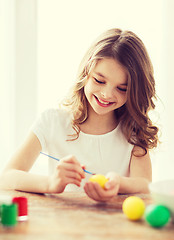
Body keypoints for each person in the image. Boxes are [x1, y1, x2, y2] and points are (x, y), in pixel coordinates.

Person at [0, 28, 159, 202]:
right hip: (62, 226)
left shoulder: (133, 131)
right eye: (99, 80)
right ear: (86, 72)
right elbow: (7, 177)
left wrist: (118, 184)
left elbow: (146, 186)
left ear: (134, 92)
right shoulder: (52, 122)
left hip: (115, 227)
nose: (106, 94)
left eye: (121, 88)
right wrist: (51, 183)